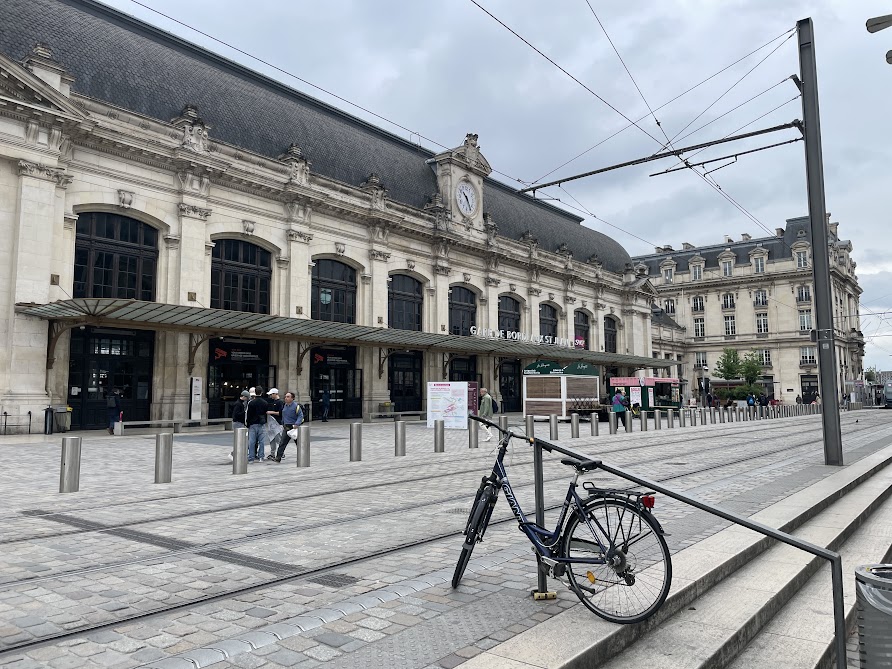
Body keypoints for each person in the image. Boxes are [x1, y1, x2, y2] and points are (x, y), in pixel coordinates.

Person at [274, 392, 305, 462]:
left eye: (288, 397)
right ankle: (278, 457)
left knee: (299, 443)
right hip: (286, 427)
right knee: (282, 443)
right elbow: (283, 415)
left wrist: (297, 424)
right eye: (285, 397)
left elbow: (300, 415)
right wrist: (282, 423)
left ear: (292, 398)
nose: (286, 398)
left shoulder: (296, 406)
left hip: (294, 427)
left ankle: (303, 456)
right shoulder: (285, 405)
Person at [245, 385, 269, 462]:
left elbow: (248, 414)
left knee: (252, 441)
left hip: (253, 423)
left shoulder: (251, 403)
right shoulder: (265, 402)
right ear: (262, 392)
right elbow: (265, 412)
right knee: (261, 441)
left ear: (255, 392)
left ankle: (251, 457)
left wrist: (247, 423)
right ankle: (261, 456)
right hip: (261, 423)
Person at [229, 390, 250, 462]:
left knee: (240, 440)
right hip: (238, 423)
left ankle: (236, 454)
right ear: (243, 397)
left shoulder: (239, 403)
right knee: (239, 440)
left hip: (239, 423)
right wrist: (244, 413)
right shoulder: (238, 404)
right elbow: (236, 415)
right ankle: (233, 454)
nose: (247, 399)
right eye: (246, 398)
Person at [265, 388, 285, 460]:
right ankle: (272, 453)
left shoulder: (280, 402)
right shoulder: (274, 402)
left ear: (275, 394)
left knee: (278, 439)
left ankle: (281, 453)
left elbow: (281, 413)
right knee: (272, 439)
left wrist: (271, 412)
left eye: (271, 394)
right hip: (272, 423)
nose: (270, 396)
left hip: (277, 423)